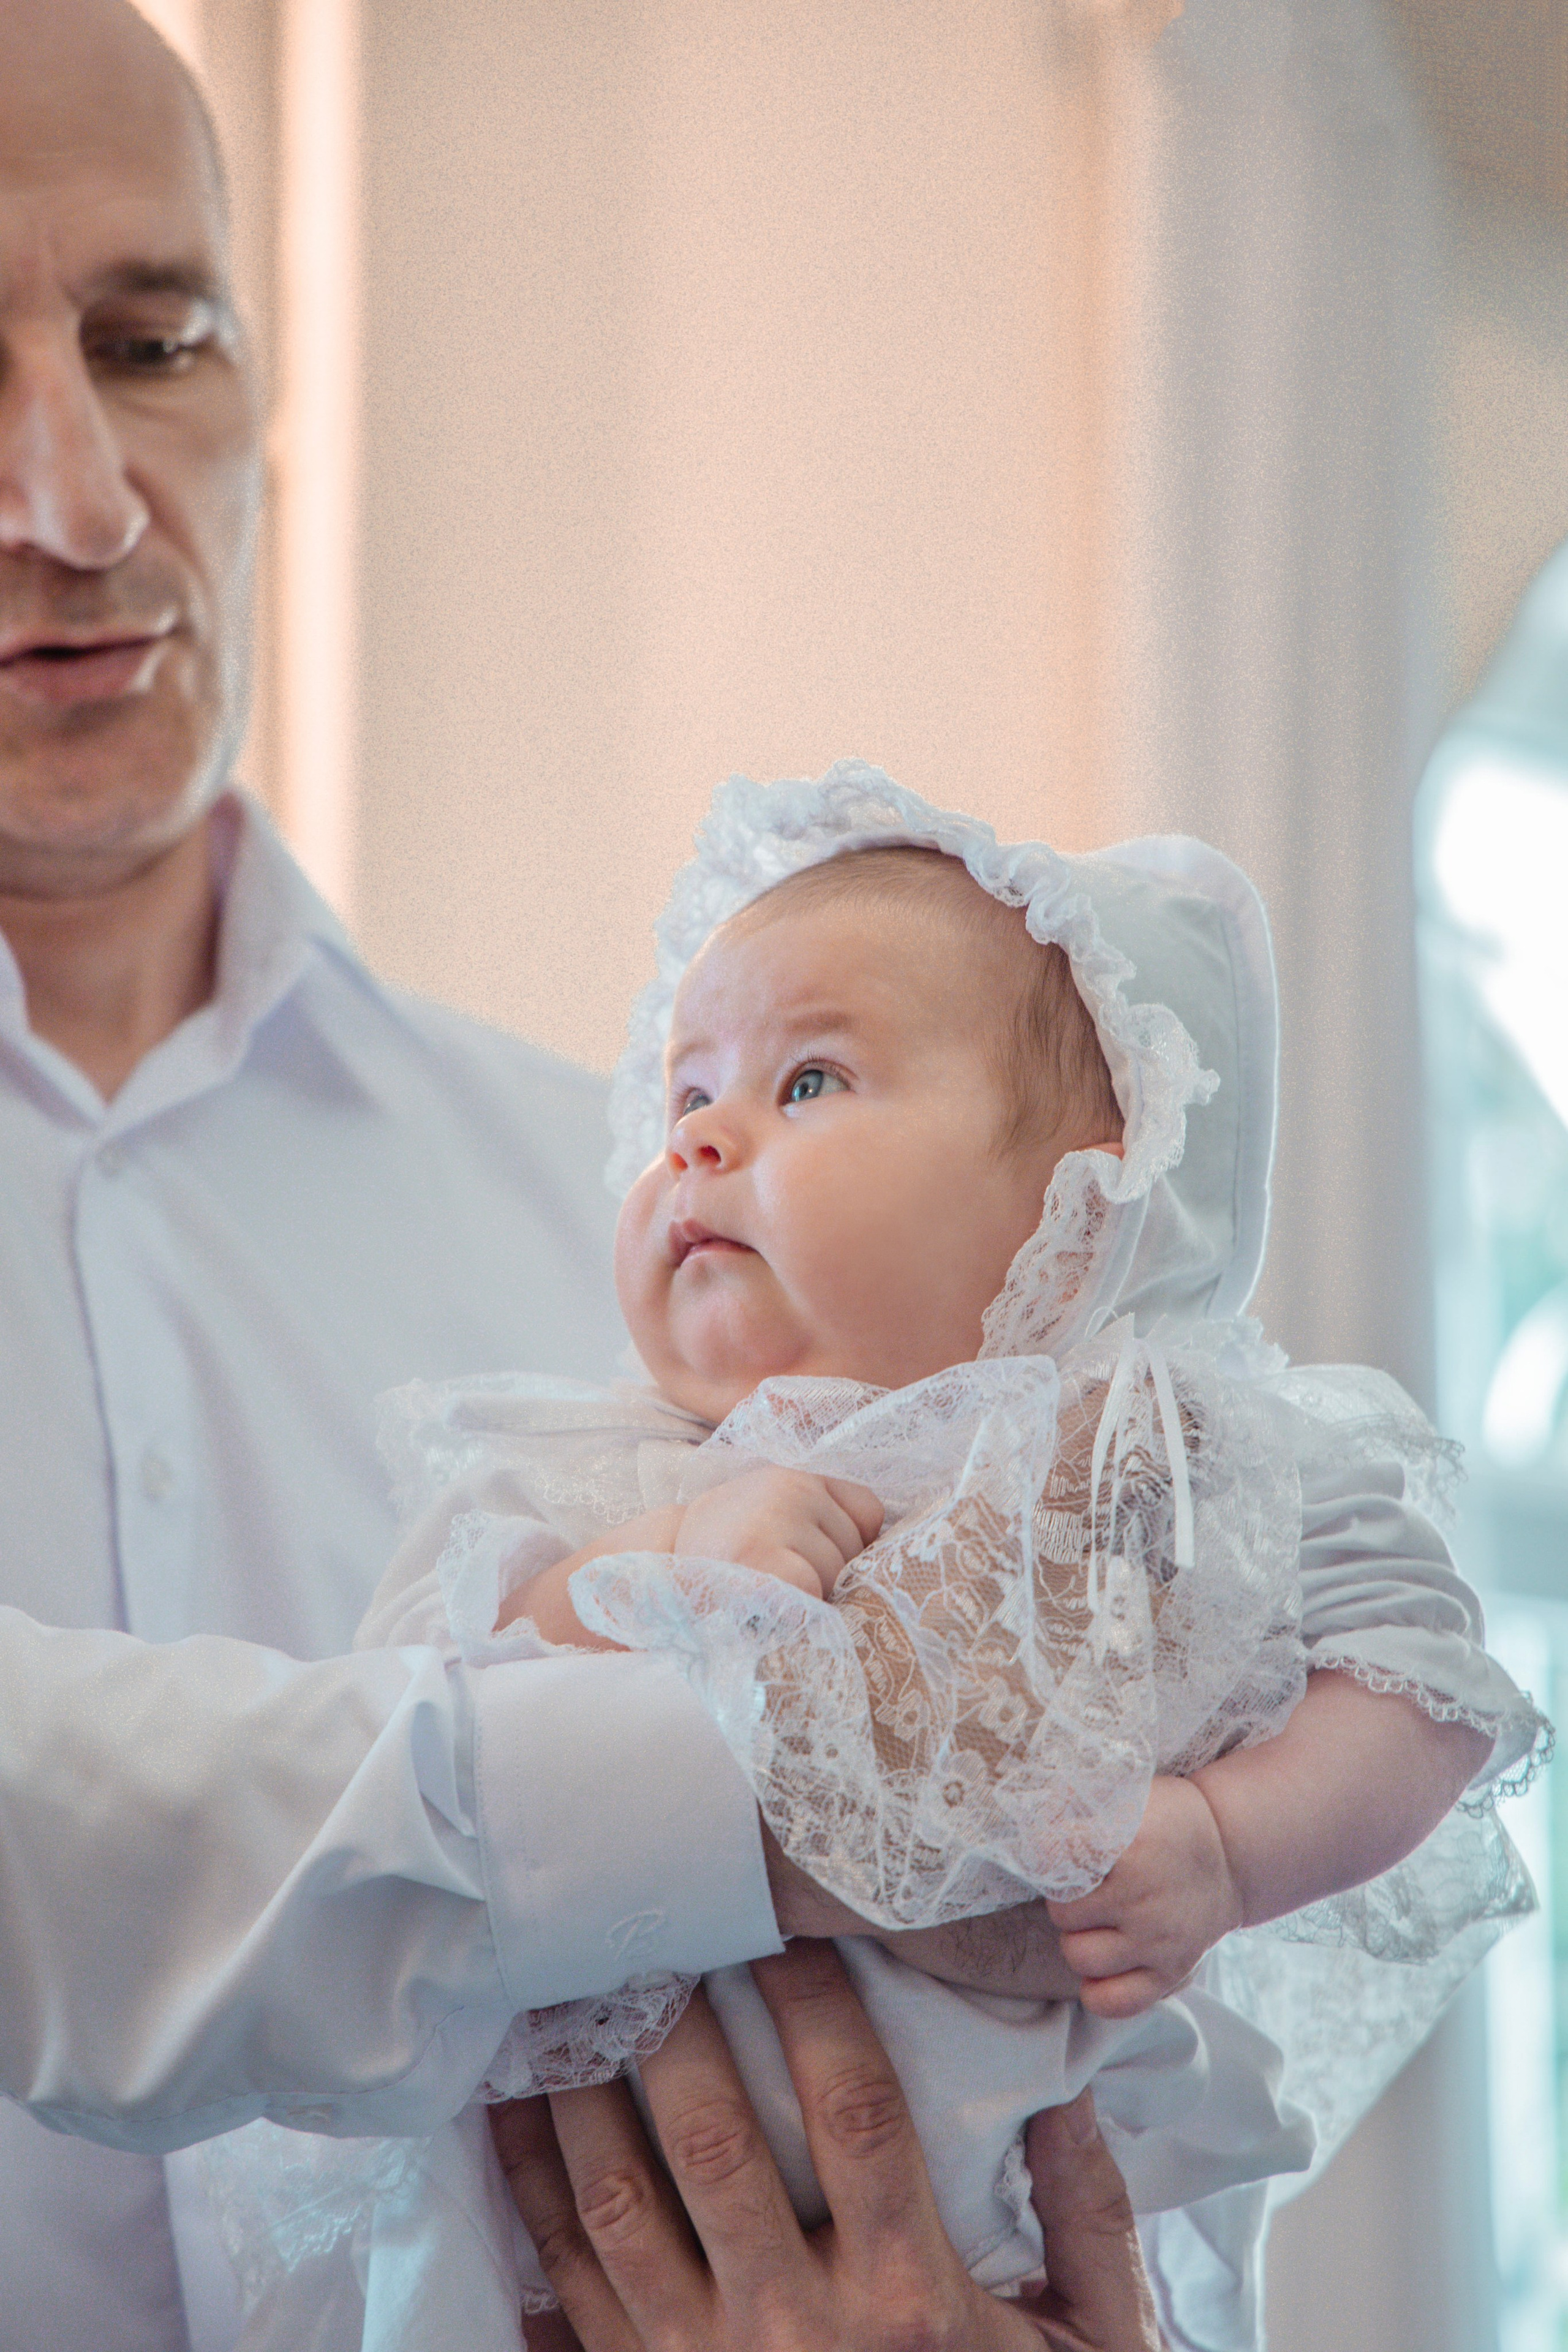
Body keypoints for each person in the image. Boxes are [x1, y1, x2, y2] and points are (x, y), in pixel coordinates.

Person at [0, 9, 1053, 2345]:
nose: (77, 500)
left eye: (151, 340)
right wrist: (735, 1793)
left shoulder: (664, 1223)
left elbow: (1087, 2075)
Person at [206, 766, 1545, 2351]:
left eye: (811, 1079)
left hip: (1014, 2234)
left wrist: (1229, 1842)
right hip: (567, 2244)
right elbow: (423, 1707)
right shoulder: (606, 1467)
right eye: (687, 1090)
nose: (700, 1137)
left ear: (1084, 1182)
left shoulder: (1164, 1452)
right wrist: (661, 1556)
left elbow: (1427, 1685)